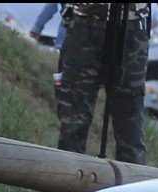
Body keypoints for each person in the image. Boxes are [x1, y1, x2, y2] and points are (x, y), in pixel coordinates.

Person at [52, 4, 150, 166]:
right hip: (84, 25)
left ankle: (133, 182)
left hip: (130, 29)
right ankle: (66, 180)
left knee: (130, 133)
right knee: (73, 126)